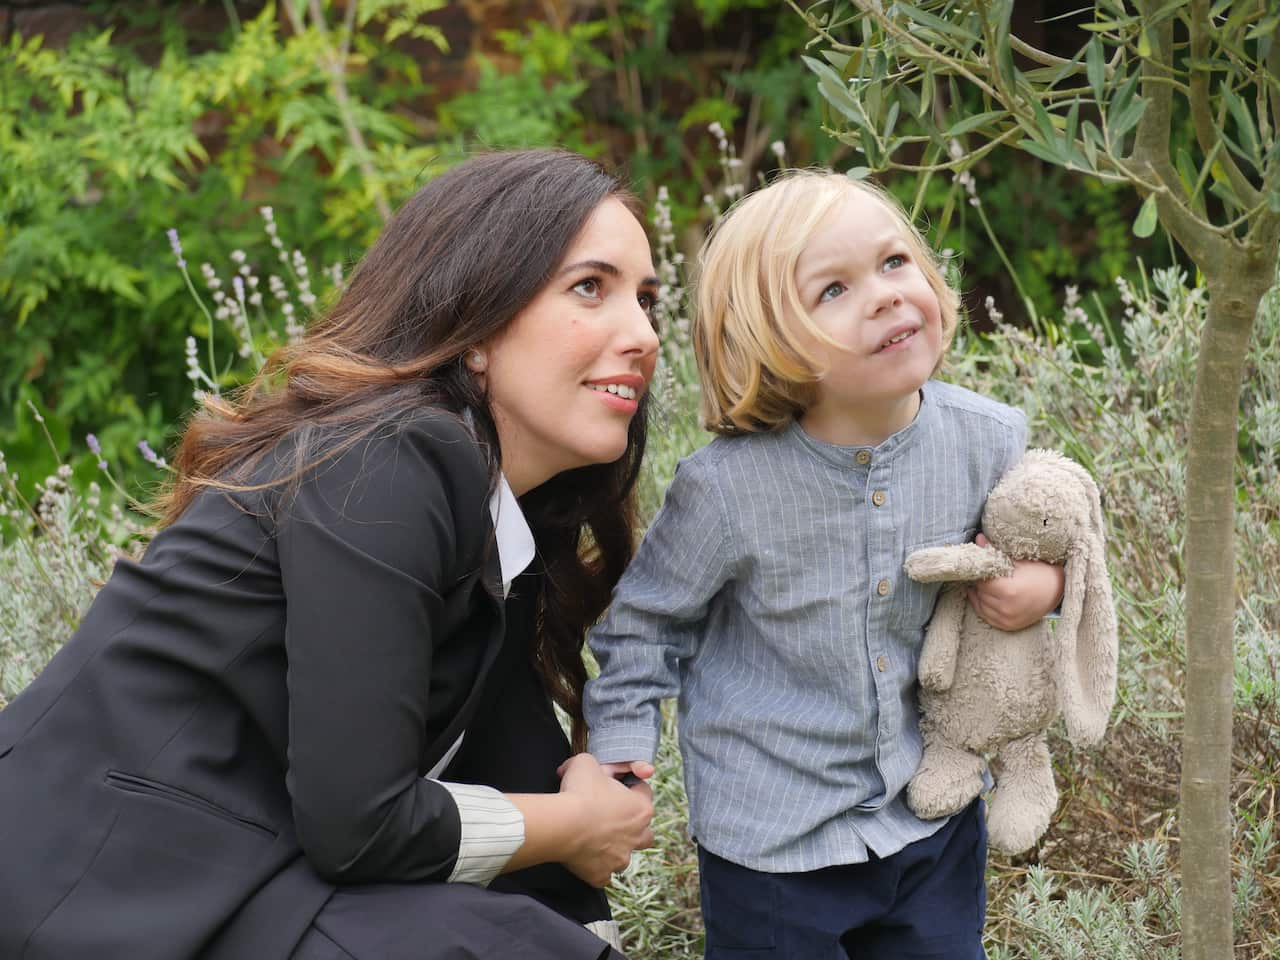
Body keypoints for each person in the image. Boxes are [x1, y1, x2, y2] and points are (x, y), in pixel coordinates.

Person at [0, 149, 661, 960]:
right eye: (590, 287)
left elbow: (507, 798)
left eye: (649, 299)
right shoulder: (385, 459)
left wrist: (593, 790)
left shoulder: (493, 517)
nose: (645, 336)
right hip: (95, 888)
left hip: (232, 883)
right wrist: (571, 823)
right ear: (477, 322)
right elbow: (359, 822)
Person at [584, 170, 1067, 959]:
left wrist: (1046, 588)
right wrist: (621, 752)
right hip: (775, 839)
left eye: (895, 263)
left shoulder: (989, 440)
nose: (883, 296)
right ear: (767, 338)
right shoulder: (729, 489)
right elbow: (644, 627)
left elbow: (1060, 539)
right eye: (833, 290)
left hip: (930, 814)